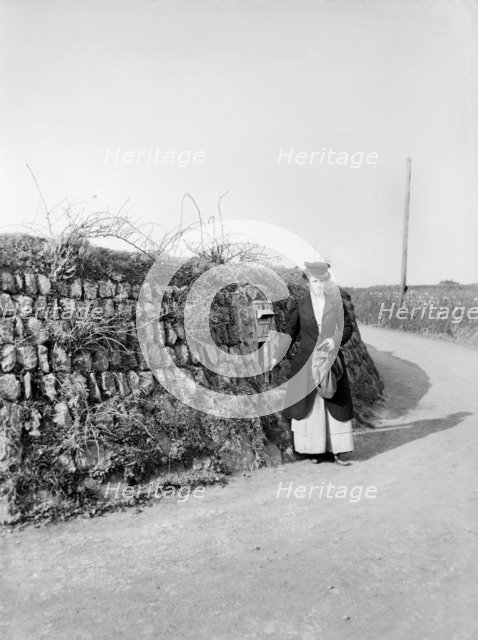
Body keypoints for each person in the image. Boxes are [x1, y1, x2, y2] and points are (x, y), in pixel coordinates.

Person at [282, 261, 354, 465]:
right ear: (308, 282)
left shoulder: (336, 303)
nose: (319, 285)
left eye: (323, 281)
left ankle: (336, 451)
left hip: (331, 361)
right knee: (310, 406)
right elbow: (290, 331)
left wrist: (335, 340)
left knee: (333, 402)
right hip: (307, 362)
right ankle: (313, 450)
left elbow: (347, 328)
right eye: (315, 281)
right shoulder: (300, 304)